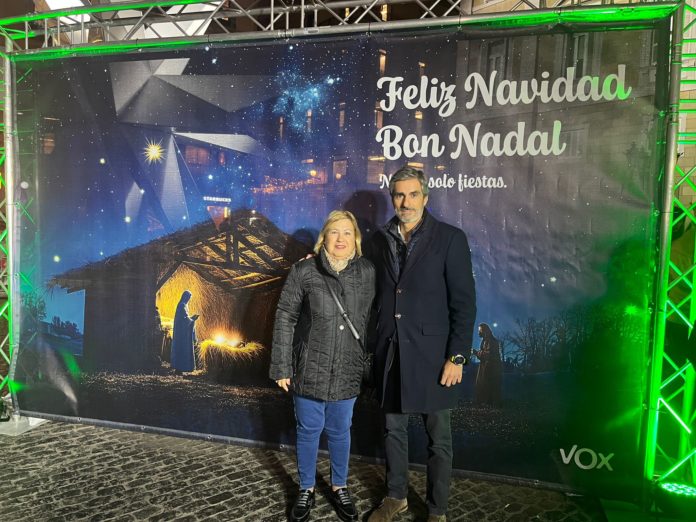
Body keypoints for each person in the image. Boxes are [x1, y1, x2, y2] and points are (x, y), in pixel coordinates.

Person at [365, 166, 476, 522]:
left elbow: (464, 303)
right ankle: (396, 496)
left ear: (425, 198)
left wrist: (456, 357)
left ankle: (437, 511)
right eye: (399, 194)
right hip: (391, 351)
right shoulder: (378, 240)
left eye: (413, 194)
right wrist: (319, 261)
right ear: (392, 197)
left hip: (434, 357)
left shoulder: (450, 238)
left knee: (438, 440)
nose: (406, 201)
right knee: (392, 430)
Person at [270, 210, 376, 522]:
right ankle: (306, 488)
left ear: (355, 239)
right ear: (324, 238)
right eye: (334, 232)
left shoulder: (368, 272)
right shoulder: (304, 270)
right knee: (308, 430)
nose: (340, 238)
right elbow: (285, 316)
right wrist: (281, 366)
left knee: (341, 430)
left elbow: (373, 318)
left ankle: (340, 485)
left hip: (347, 366)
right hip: (310, 367)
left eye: (347, 232)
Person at [474, 323, 502, 407]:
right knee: (483, 385)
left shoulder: (491, 341)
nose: (478, 332)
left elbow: (488, 355)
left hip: (489, 369)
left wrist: (476, 353)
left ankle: (488, 403)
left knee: (486, 385)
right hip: (486, 367)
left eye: (479, 330)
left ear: (484, 331)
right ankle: (486, 403)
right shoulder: (487, 340)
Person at [170, 290, 199, 374]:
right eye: (188, 297)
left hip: (183, 332)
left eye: (190, 297)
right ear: (185, 297)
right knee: (182, 348)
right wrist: (192, 319)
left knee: (183, 349)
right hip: (181, 333)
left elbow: (186, 318)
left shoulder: (185, 305)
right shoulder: (182, 305)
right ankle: (179, 367)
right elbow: (184, 319)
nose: (189, 299)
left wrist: (191, 319)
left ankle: (181, 367)